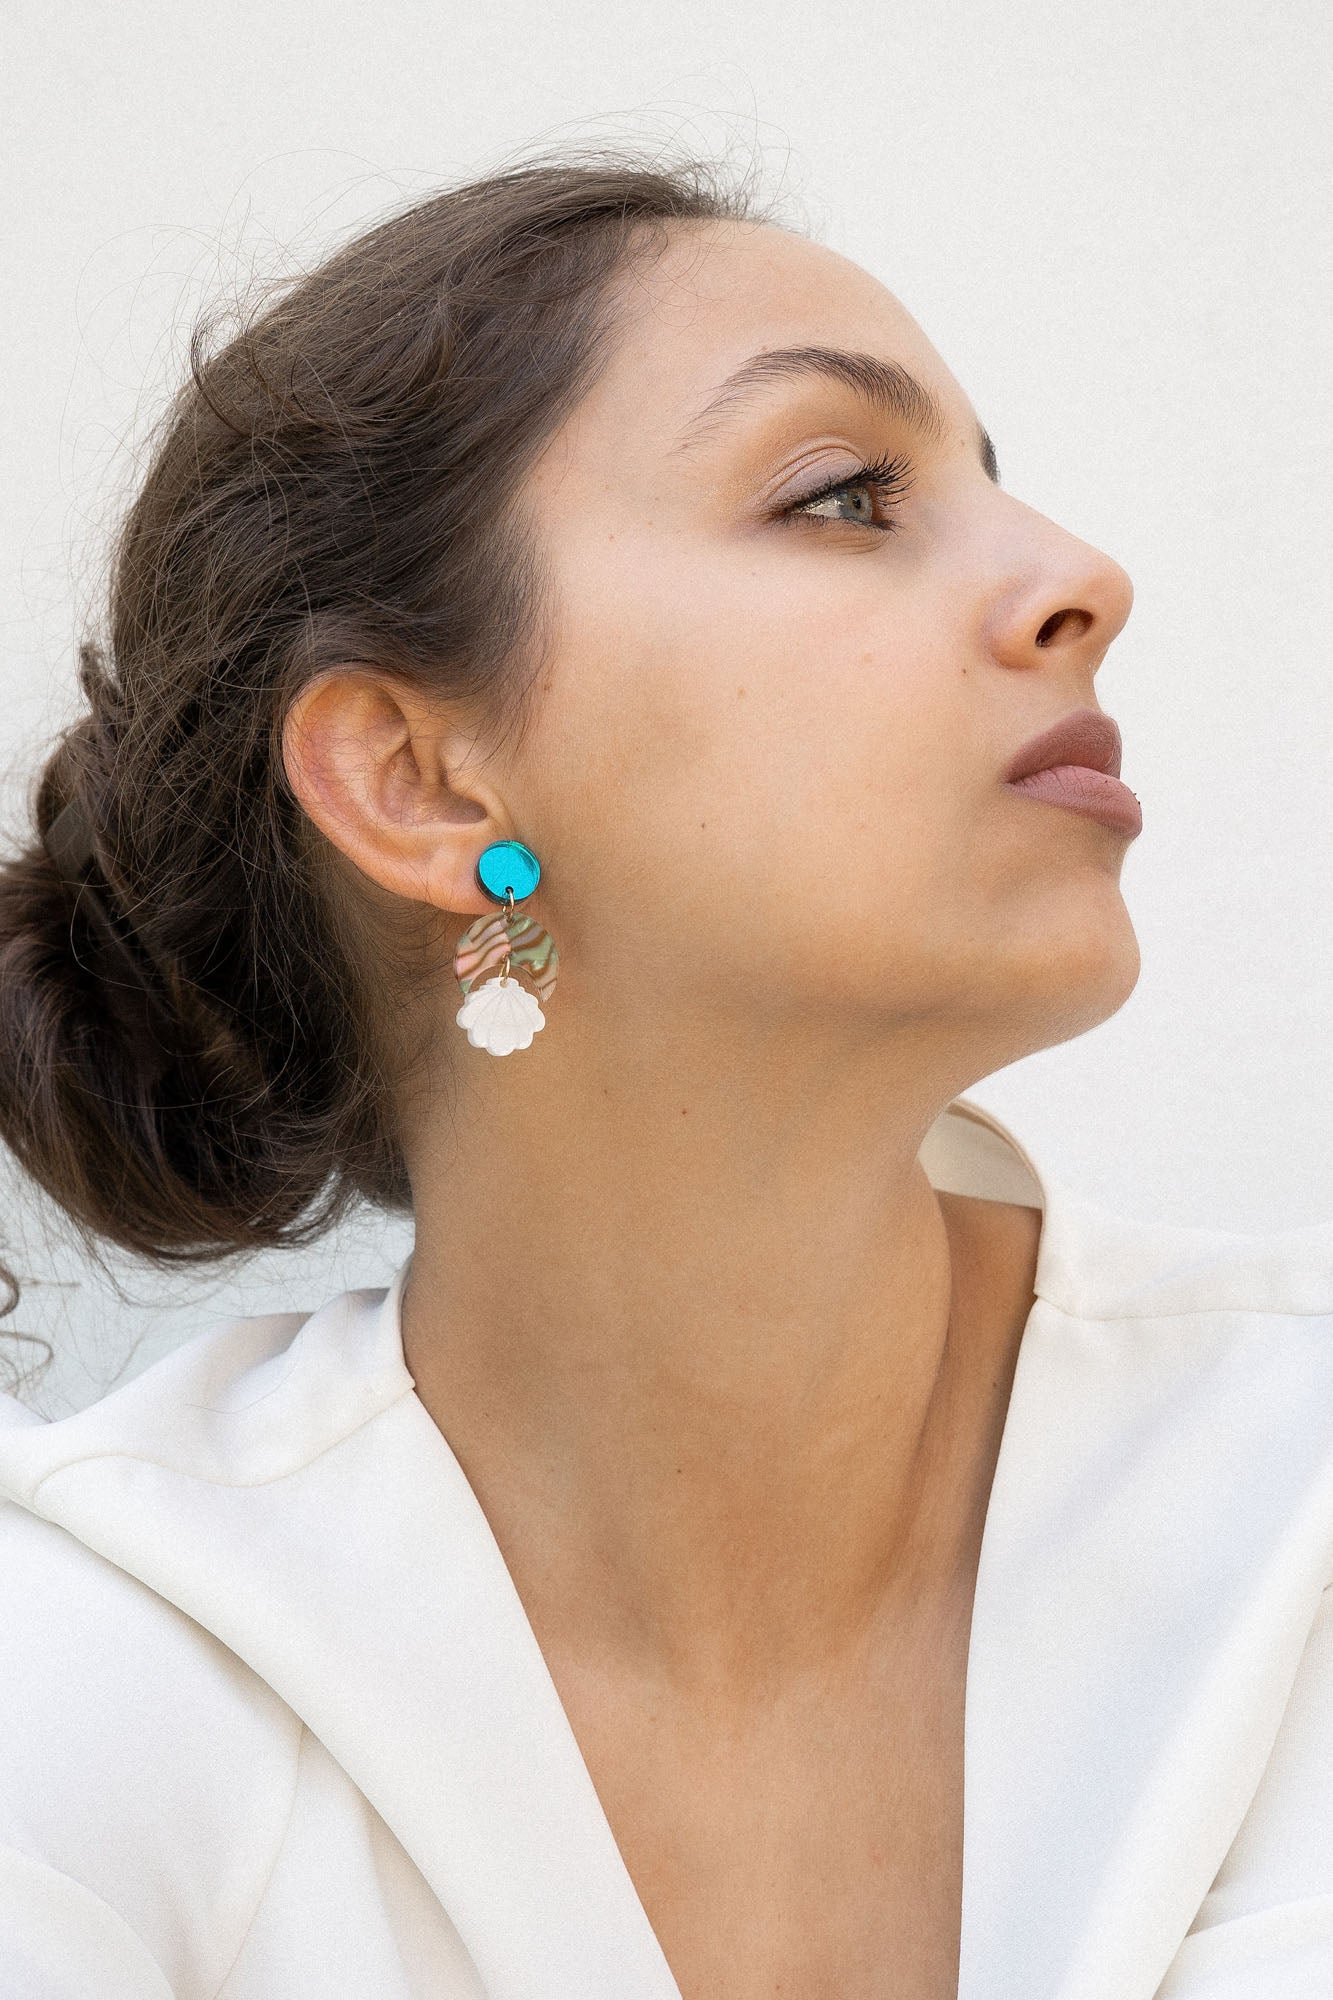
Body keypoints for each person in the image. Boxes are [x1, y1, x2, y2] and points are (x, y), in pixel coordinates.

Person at [0, 146, 1329, 2000]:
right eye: (844, 496)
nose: (1081, 580)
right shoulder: (95, 1678)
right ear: (419, 781)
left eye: (987, 479)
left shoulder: (1296, 1492)